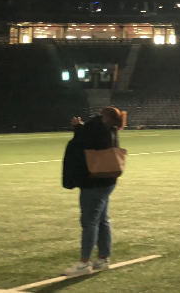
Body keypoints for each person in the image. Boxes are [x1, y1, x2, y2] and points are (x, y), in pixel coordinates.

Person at [61, 106, 124, 276]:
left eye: (101, 115)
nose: (97, 117)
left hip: (94, 181)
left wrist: (78, 127)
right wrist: (81, 127)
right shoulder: (111, 131)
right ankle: (103, 258)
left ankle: (84, 263)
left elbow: (83, 143)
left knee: (89, 222)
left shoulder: (98, 130)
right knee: (102, 220)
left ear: (107, 118)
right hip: (108, 180)